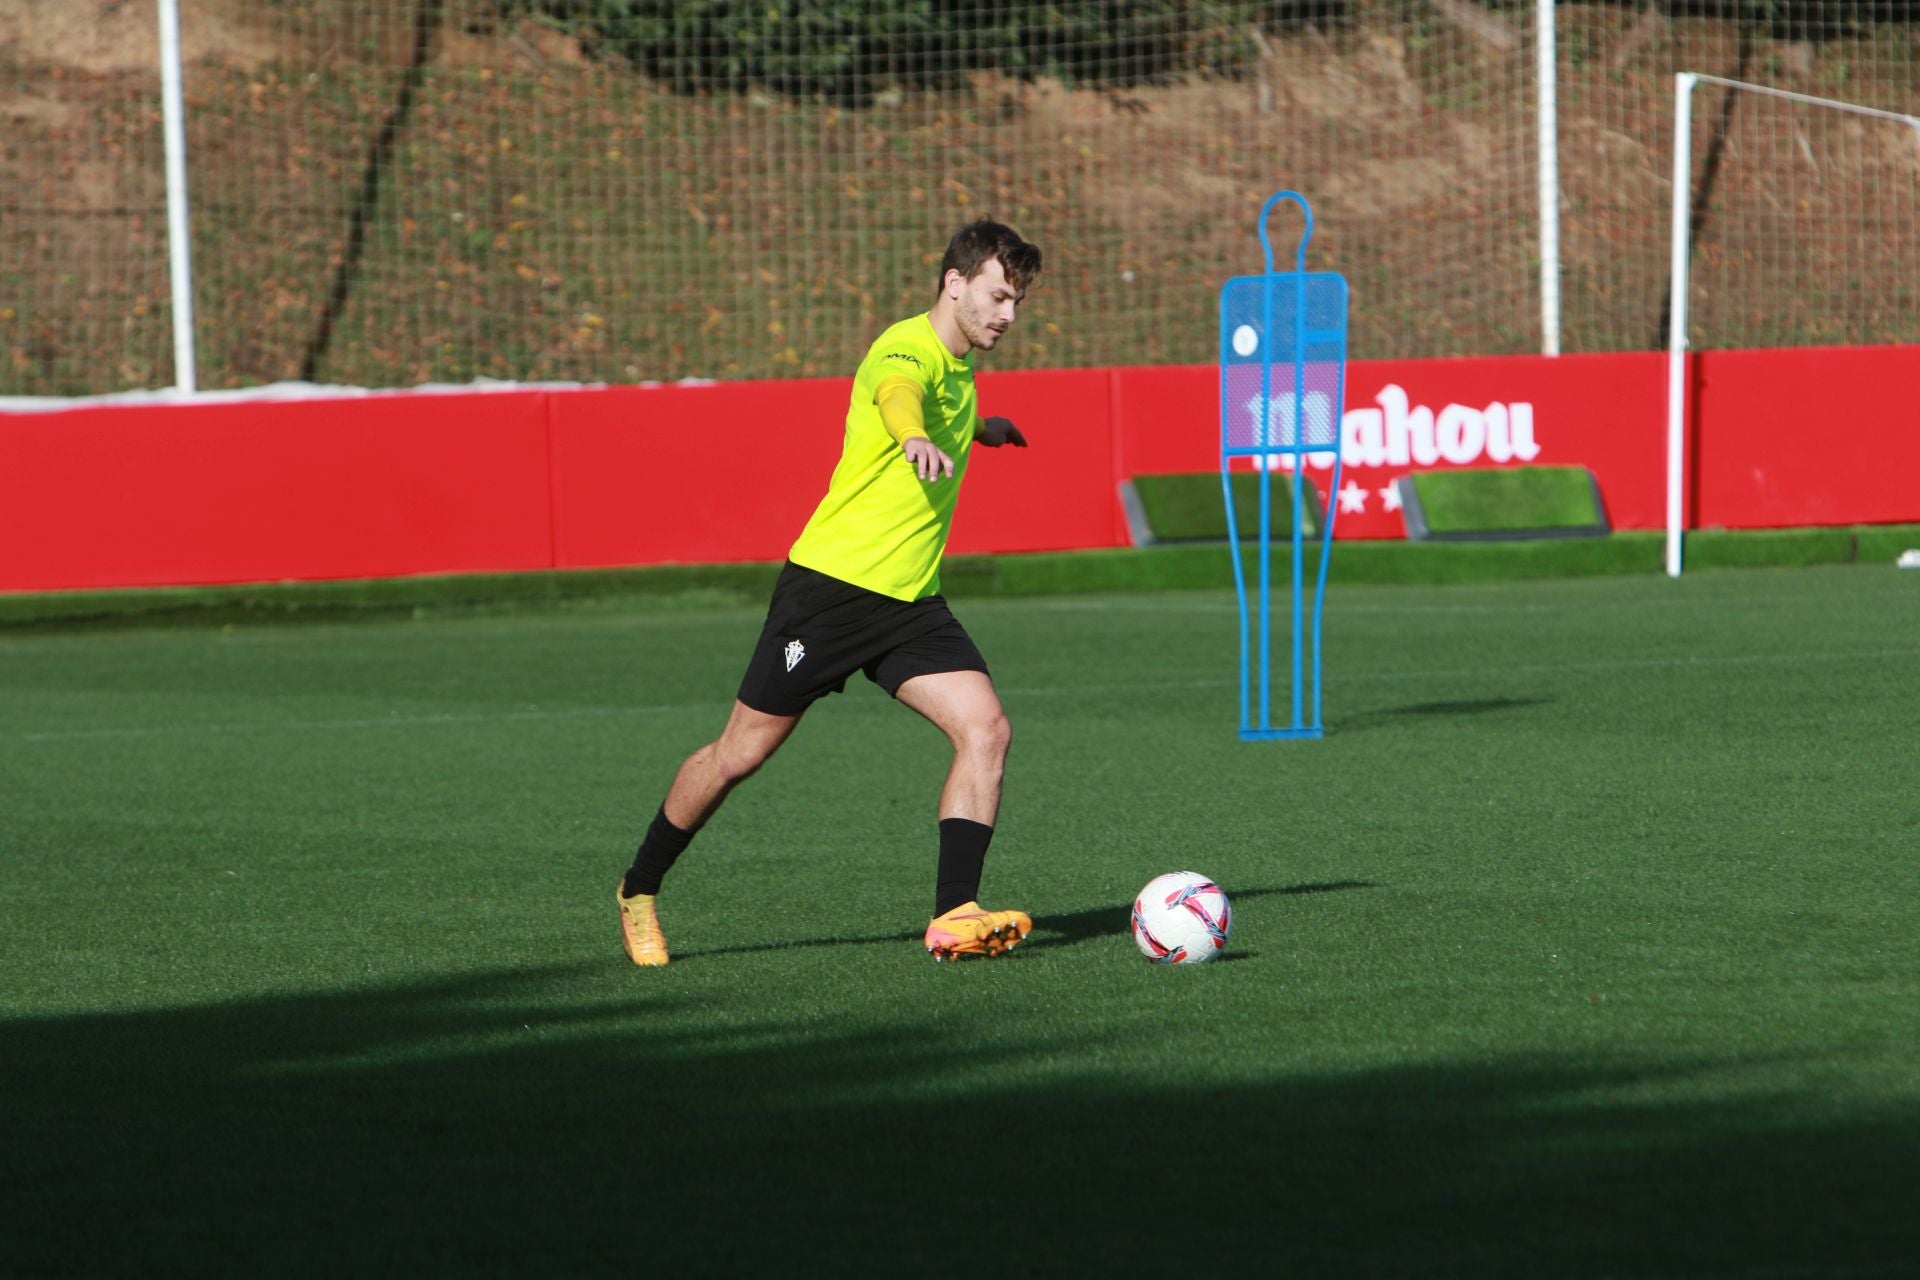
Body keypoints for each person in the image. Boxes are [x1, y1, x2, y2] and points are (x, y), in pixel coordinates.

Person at [615, 217, 1043, 965]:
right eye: (999, 296)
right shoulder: (905, 346)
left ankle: (953, 915)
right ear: (954, 282)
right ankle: (639, 889)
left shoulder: (961, 370)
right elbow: (900, 393)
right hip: (830, 594)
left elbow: (941, 405)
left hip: (910, 604)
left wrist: (985, 427)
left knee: (987, 729)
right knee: (738, 754)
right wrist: (911, 435)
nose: (1010, 316)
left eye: (1017, 302)